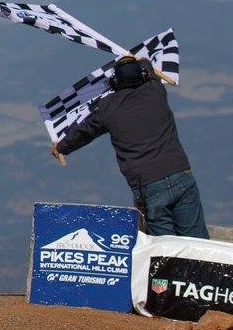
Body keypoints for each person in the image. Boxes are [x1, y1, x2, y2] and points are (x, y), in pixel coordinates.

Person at [51, 54, 208, 237]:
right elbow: (147, 66)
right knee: (197, 242)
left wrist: (61, 147)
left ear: (115, 82)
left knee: (164, 248)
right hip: (180, 174)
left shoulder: (107, 107)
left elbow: (84, 131)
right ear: (143, 76)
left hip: (148, 185)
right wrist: (136, 59)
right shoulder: (156, 91)